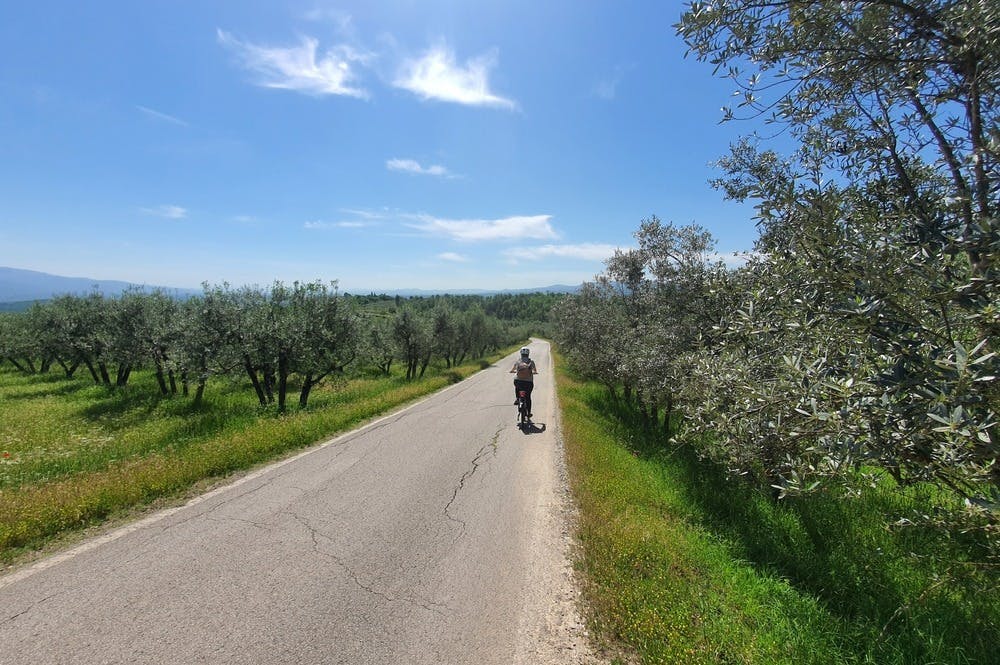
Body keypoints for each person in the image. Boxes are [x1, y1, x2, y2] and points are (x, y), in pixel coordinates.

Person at [509, 346, 538, 417]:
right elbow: (535, 371)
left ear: (521, 353)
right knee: (528, 397)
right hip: (528, 382)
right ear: (528, 353)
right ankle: (529, 413)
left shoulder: (518, 361)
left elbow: (512, 370)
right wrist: (534, 372)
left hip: (518, 381)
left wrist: (512, 371)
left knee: (517, 387)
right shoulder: (531, 362)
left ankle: (517, 398)